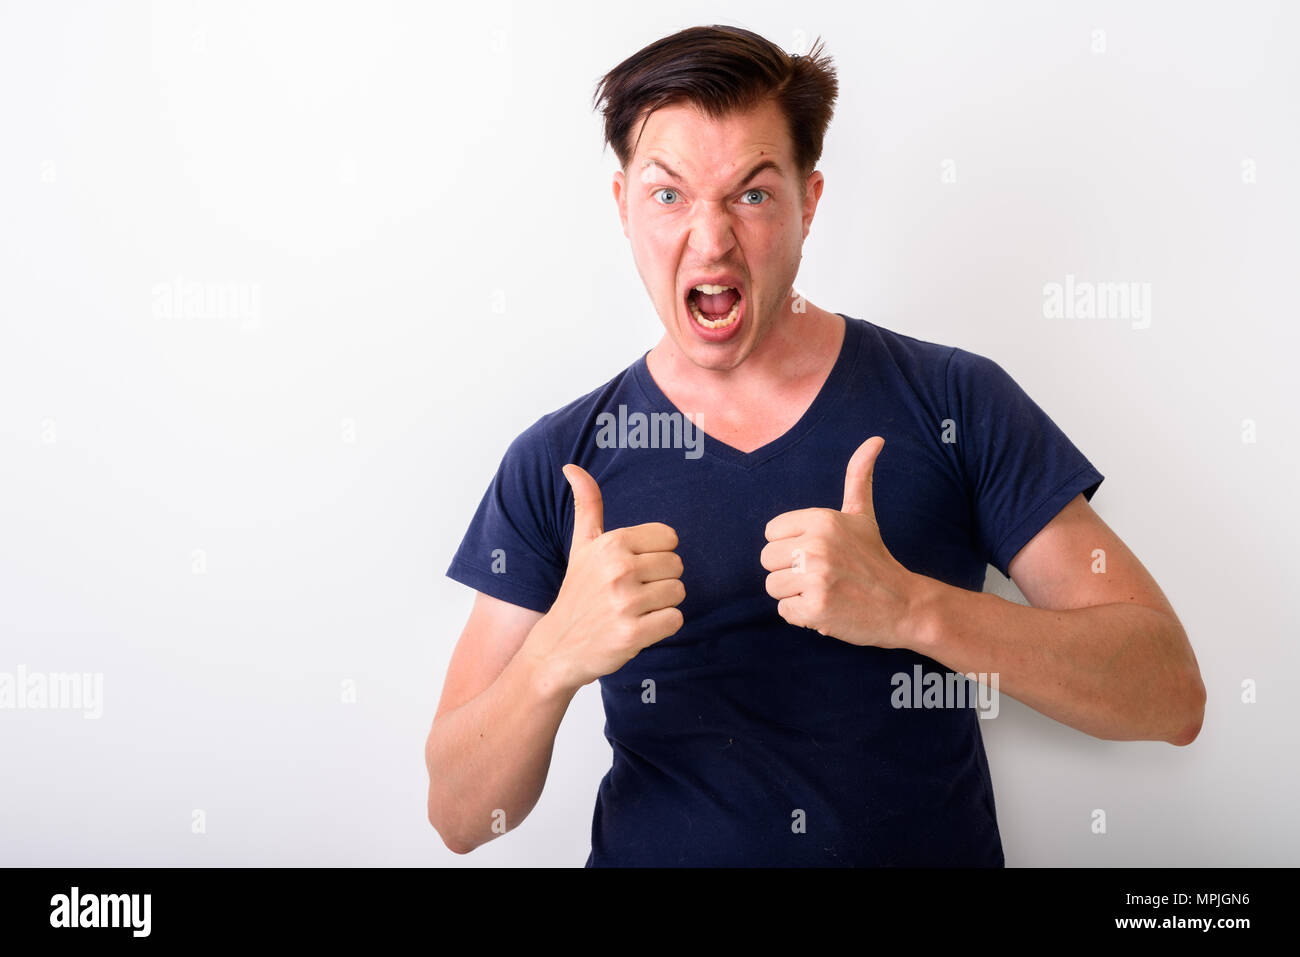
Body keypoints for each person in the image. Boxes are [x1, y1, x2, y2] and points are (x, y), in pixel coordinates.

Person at [425, 24, 1206, 866]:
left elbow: (1170, 694)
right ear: (622, 206)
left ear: (810, 200)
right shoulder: (560, 463)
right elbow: (460, 816)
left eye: (753, 194)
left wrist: (912, 608)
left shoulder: (954, 400)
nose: (712, 238)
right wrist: (553, 655)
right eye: (669, 195)